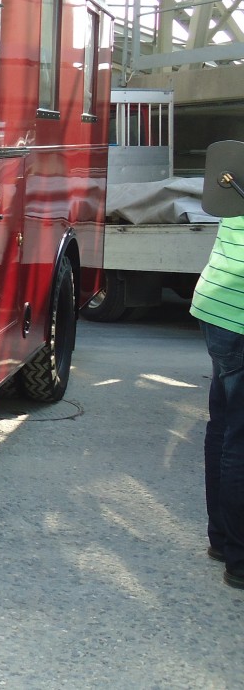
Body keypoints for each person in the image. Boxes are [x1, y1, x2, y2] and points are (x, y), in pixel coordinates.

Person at [190, 214, 244, 589]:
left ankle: (223, 541)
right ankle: (239, 558)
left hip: (219, 302)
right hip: (238, 311)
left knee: (224, 426)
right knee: (237, 438)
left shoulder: (235, 161)